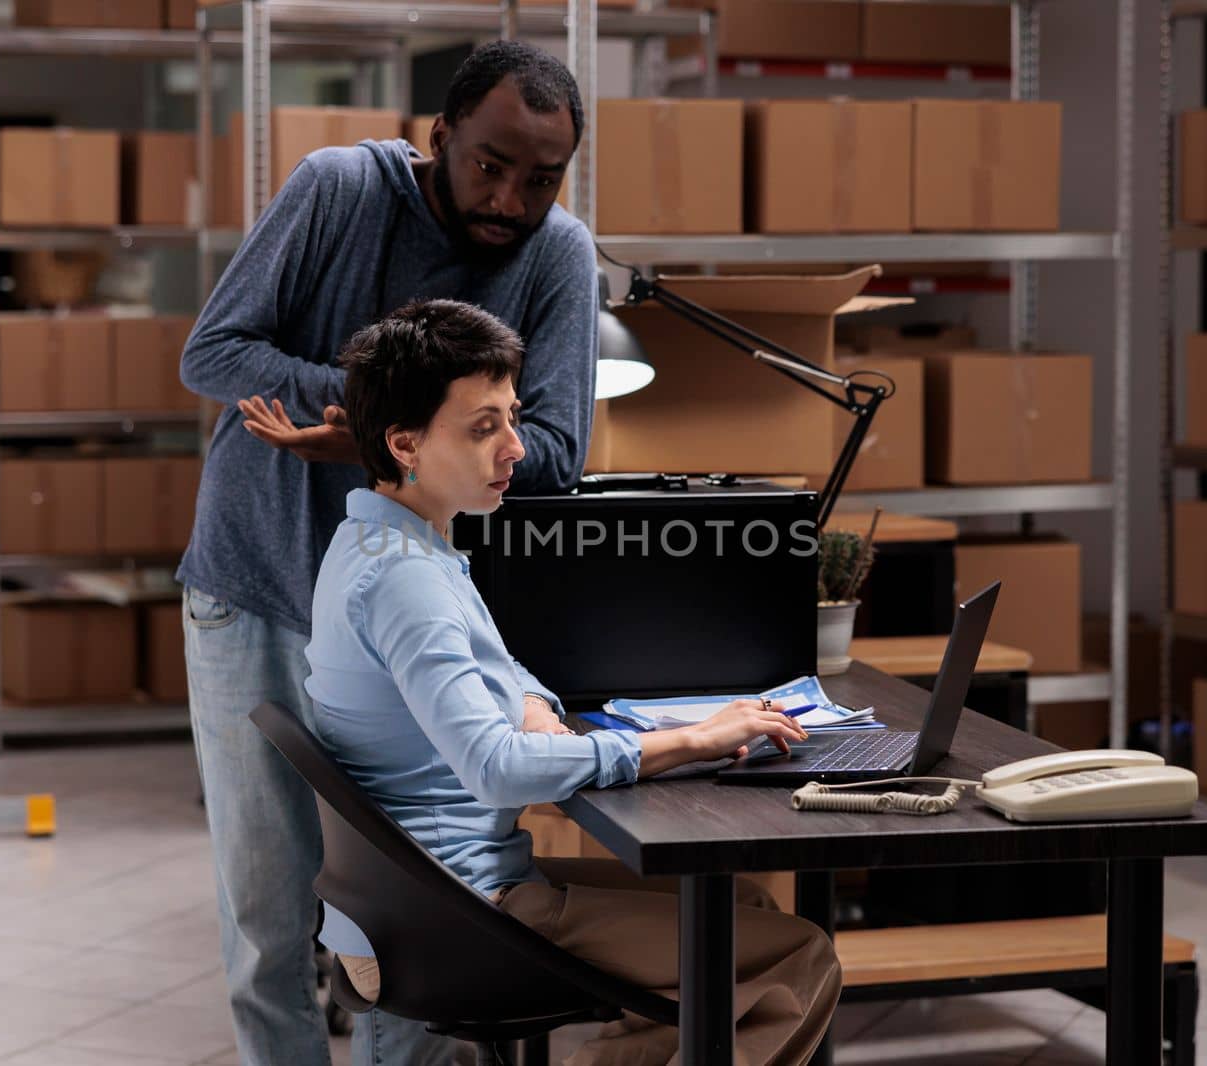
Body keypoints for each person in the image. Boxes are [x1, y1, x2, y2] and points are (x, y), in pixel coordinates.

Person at [176, 41, 599, 1066]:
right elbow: (215, 352)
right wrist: (381, 413)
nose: (510, 197)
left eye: (540, 178)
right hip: (261, 584)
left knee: (412, 912)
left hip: (410, 623)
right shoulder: (338, 190)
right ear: (440, 137)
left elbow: (554, 454)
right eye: (490, 164)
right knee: (270, 916)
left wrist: (380, 432)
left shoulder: (558, 256)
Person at [302, 298, 843, 1066]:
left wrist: (531, 702)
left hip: (422, 893)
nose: (515, 448)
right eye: (482, 427)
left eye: (512, 419)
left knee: (742, 906)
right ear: (405, 443)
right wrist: (687, 740)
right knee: (799, 958)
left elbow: (498, 664)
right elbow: (494, 768)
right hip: (461, 910)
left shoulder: (382, 543)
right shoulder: (406, 582)